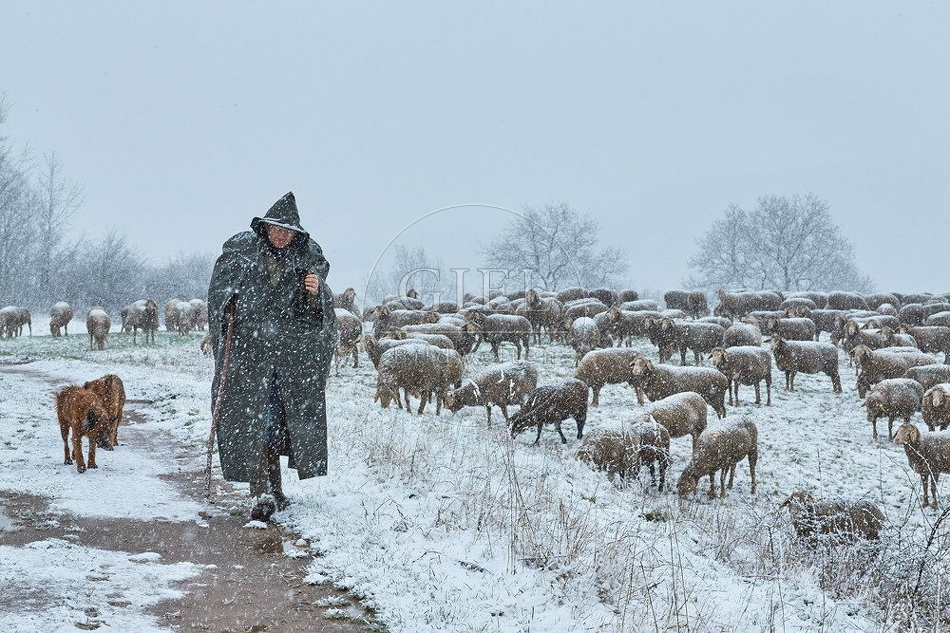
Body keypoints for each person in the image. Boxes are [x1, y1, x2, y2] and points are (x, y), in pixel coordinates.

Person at [207, 192, 337, 521]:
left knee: (278, 425)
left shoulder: (304, 263)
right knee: (254, 422)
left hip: (288, 362)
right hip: (249, 358)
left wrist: (316, 293)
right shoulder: (241, 256)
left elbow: (316, 318)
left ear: (296, 235)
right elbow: (218, 295)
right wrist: (230, 304)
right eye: (276, 229)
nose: (281, 236)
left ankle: (275, 489)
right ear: (264, 228)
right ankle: (261, 492)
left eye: (287, 231)